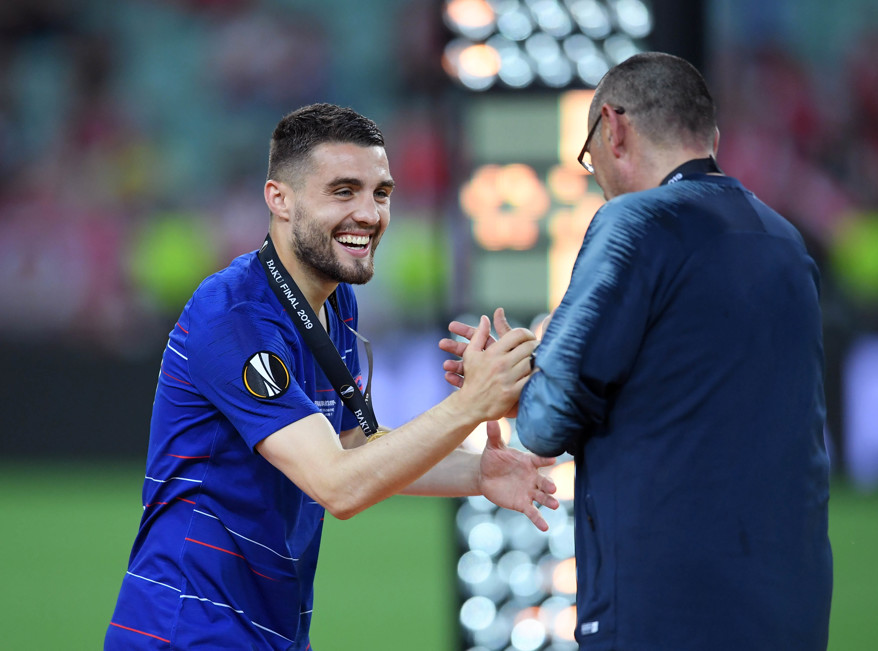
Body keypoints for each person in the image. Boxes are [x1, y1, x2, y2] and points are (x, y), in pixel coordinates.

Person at [105, 103, 559, 650]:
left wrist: (476, 475)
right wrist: (470, 405)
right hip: (185, 629)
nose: (369, 214)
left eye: (381, 193)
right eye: (343, 191)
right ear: (280, 200)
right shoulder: (234, 316)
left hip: (268, 630)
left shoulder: (335, 301)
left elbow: (350, 446)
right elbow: (337, 485)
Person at [442, 52, 832, 650]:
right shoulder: (783, 238)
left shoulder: (635, 223)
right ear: (713, 138)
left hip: (666, 606)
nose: (594, 168)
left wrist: (505, 378)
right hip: (792, 605)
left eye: (588, 150)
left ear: (613, 126)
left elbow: (546, 424)